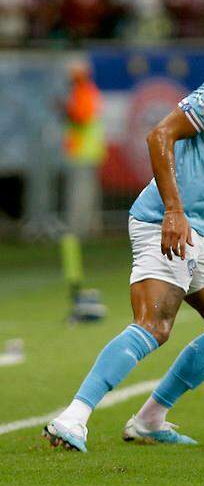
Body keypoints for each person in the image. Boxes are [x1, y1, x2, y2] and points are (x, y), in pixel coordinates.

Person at [42, 6, 204, 452]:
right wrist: (172, 211)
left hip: (196, 228)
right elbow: (160, 135)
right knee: (154, 324)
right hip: (164, 221)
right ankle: (74, 417)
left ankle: (149, 419)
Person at [61, 61, 107, 322]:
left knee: (77, 212)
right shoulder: (84, 92)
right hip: (82, 156)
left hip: (82, 156)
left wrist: (64, 109)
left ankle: (79, 232)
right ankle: (79, 231)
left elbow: (80, 117)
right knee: (79, 207)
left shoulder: (85, 92)